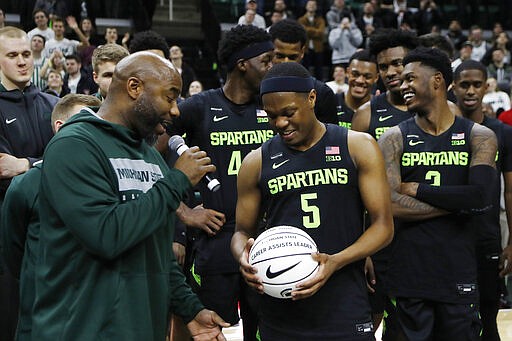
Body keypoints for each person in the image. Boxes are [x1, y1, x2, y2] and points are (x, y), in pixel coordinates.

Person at [31, 51, 229, 340]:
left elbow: (157, 252)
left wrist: (190, 309)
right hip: (80, 330)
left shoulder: (151, 156)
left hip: (141, 328)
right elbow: (106, 235)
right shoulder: (74, 145)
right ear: (134, 88)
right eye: (169, 97)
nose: (176, 111)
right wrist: (177, 181)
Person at [231, 61, 393, 340]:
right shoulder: (256, 161)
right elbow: (241, 232)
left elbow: (383, 227)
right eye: (271, 116)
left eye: (288, 113)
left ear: (312, 98)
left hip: (343, 301)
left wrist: (337, 261)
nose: (280, 124)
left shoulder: (357, 146)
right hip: (279, 305)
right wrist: (242, 257)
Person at [378, 47, 497, 340]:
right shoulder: (393, 138)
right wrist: (458, 203)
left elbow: (481, 198)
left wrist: (418, 189)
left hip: (458, 273)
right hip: (408, 276)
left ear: (437, 81)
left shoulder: (479, 136)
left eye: (410, 78)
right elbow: (390, 205)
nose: (402, 85)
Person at [167, 25, 274, 341]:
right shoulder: (199, 106)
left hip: (268, 241)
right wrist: (184, 211)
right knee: (213, 330)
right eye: (267, 60)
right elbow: (147, 151)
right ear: (243, 63)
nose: (273, 67)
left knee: (267, 331)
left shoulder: (271, 106)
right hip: (217, 240)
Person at [1, 94, 102, 341]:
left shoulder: (109, 181)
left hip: (96, 315)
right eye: (88, 123)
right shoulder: (27, 185)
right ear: (60, 127)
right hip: (42, 317)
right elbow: (14, 255)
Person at [0, 25, 58, 341]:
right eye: (12, 55)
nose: (22, 61)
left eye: (26, 54)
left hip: (54, 234)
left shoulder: (53, 104)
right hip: (8, 236)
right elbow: (1, 170)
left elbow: (73, 162)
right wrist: (47, 163)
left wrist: (25, 164)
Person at [453, 59, 512, 341]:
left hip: (487, 235)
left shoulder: (502, 132)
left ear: (487, 86)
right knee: (454, 319)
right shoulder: (442, 131)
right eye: (464, 84)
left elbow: (510, 190)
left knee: (489, 317)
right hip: (449, 236)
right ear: (453, 87)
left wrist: (511, 242)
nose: (471, 91)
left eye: (477, 84)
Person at [269, 19, 338, 124]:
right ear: (270, 51)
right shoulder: (255, 89)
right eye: (280, 56)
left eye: (292, 57)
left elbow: (330, 138)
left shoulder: (322, 93)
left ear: (302, 52)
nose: (286, 62)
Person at [336, 49, 379, 129]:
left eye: (367, 77)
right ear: (347, 72)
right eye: (355, 74)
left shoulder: (381, 107)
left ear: (376, 78)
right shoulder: (331, 103)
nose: (360, 81)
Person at [297, 0, 326, 81]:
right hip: (306, 49)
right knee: (305, 70)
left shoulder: (320, 20)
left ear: (316, 7)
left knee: (319, 71)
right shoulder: (301, 19)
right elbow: (302, 33)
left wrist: (307, 30)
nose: (311, 6)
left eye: (313, 5)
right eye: (310, 5)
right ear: (306, 6)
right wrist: (315, 31)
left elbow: (321, 33)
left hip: (318, 48)